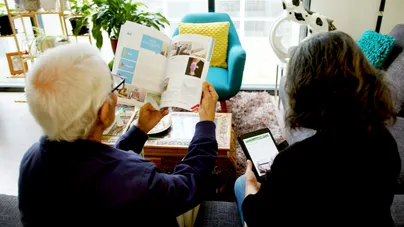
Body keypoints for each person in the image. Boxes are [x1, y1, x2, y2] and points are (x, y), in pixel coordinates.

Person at [19, 43, 219, 227]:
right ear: (104, 112)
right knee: (199, 188)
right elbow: (189, 185)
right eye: (112, 87)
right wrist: (206, 124)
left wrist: (138, 132)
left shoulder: (30, 160)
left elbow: (102, 171)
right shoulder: (138, 180)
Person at [235, 31, 401, 227]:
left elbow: (256, 216)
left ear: (303, 90)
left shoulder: (295, 160)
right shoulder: (385, 143)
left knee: (241, 183)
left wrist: (251, 185)